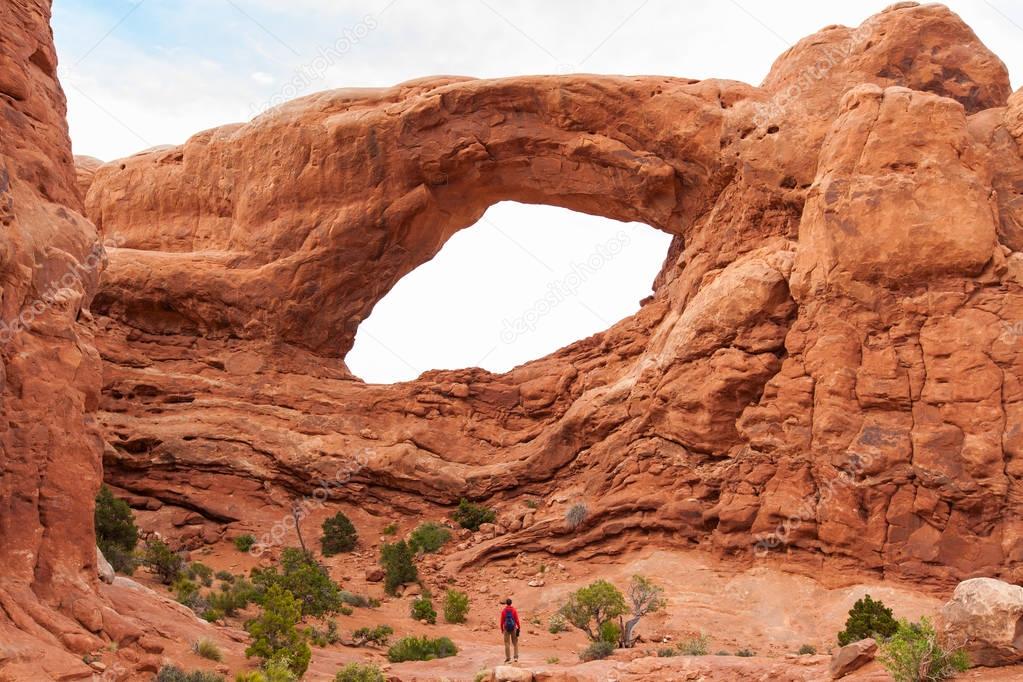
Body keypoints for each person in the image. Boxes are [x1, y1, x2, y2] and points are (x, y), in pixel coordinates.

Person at [499, 598, 520, 662]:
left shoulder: (503, 611)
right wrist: (519, 627)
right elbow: (516, 620)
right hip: (513, 628)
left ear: (506, 603)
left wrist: (502, 629)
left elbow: (502, 621)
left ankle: (508, 658)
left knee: (507, 643)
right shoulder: (514, 610)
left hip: (506, 628)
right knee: (515, 643)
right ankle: (515, 657)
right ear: (511, 603)